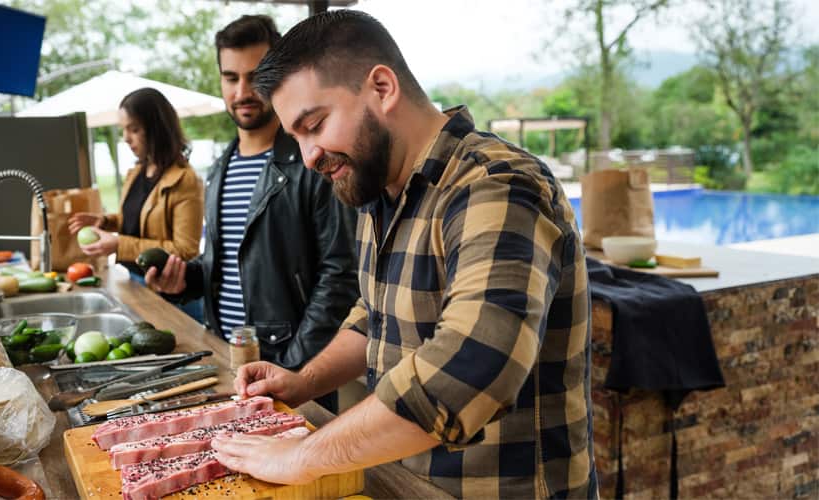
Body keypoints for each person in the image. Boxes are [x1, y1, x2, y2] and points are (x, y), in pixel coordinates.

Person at [209, 10, 597, 499]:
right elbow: (375, 318)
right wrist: (303, 382)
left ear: (382, 88)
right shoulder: (379, 192)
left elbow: (470, 366)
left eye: (315, 124)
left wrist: (301, 456)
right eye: (297, 138)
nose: (308, 156)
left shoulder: (495, 185)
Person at [145, 15, 359, 411]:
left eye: (256, 75)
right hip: (226, 360)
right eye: (230, 77)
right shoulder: (219, 166)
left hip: (294, 368)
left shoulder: (313, 161)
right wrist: (186, 281)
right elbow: (230, 263)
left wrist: (294, 369)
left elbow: (342, 277)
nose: (243, 90)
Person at [69, 87, 204, 278]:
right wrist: (106, 221)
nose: (125, 138)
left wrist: (118, 244)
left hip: (170, 291)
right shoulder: (137, 172)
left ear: (157, 129)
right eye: (123, 129)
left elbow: (185, 251)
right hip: (135, 278)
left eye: (134, 129)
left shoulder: (186, 180)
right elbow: (140, 220)